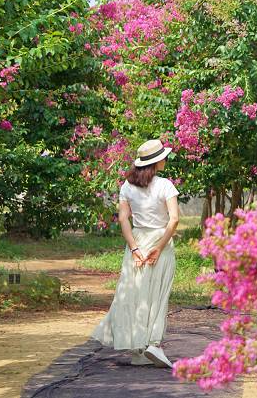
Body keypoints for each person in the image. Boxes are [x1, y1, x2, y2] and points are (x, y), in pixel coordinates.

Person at [91, 139, 180, 368]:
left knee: (136, 294)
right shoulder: (165, 185)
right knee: (158, 295)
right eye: (163, 156)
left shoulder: (127, 186)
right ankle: (154, 343)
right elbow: (174, 219)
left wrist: (135, 249)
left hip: (138, 240)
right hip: (160, 240)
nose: (165, 159)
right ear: (157, 161)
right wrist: (159, 248)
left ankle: (138, 350)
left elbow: (123, 219)